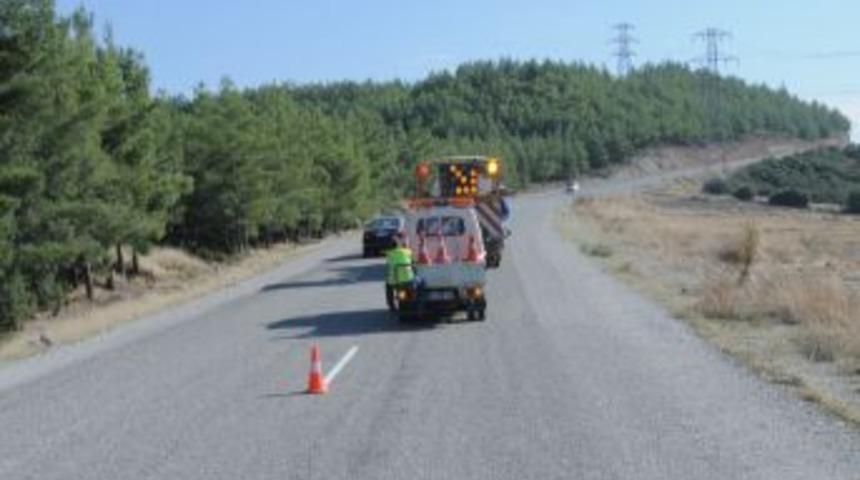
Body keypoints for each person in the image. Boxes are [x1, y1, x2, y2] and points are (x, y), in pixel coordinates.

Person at [385, 233, 415, 311]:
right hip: (408, 278)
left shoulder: (389, 254)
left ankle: (391, 305)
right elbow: (412, 261)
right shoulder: (407, 252)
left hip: (395, 279)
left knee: (388, 286)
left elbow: (388, 265)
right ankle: (408, 299)